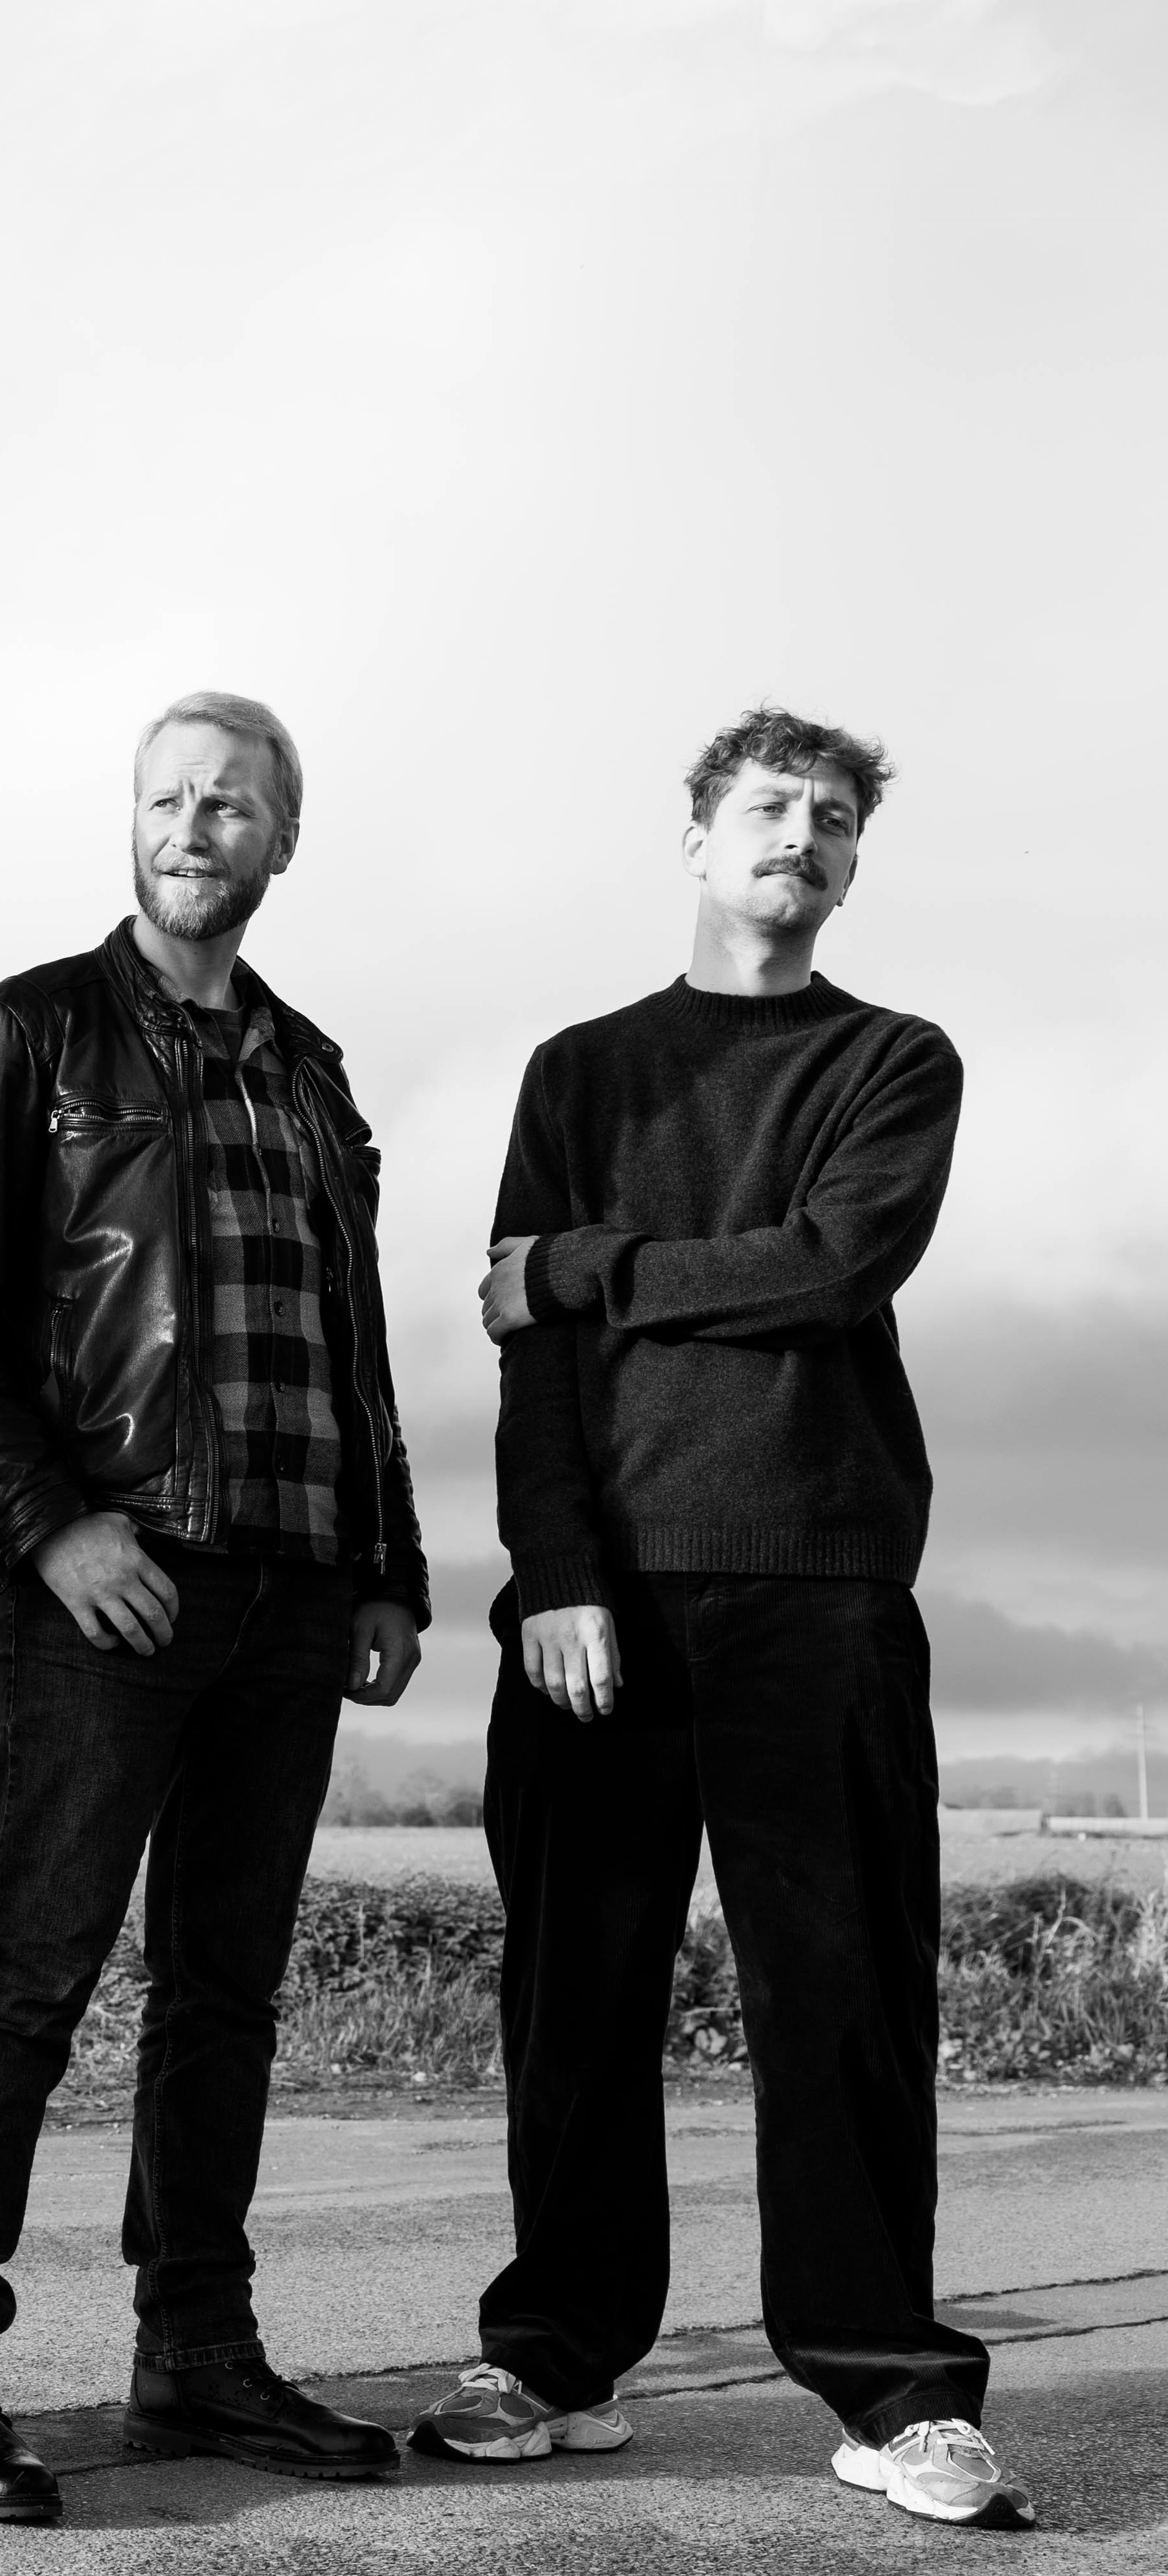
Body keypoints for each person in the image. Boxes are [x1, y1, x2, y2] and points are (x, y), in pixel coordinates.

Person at [410, 711, 1025, 2530]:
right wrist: (554, 1574)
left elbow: (829, 1268)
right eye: (770, 805)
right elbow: (529, 1362)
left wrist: (581, 1266)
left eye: (834, 819)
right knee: (575, 2000)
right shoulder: (580, 1073)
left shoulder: (891, 1058)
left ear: (851, 864)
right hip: (600, 1598)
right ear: (696, 837)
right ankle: (552, 2356)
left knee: (838, 2001)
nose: (803, 836)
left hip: (819, 1588)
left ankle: (891, 2390)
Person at [0, 692, 429, 2525]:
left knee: (226, 1989)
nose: (195, 825)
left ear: (281, 841)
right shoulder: (32, 1030)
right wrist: (49, 1529)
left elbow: (356, 1345)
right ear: (132, 825)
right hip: (114, 1581)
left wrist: (391, 1564)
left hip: (297, 1584)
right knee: (31, 1967)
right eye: (168, 797)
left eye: (232, 803)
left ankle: (196, 2345)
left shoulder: (313, 1069)